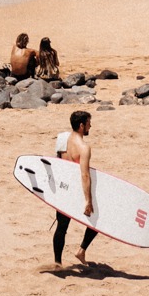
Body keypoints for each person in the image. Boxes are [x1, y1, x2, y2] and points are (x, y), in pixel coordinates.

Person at [53, 109, 99, 267]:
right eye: (88, 123)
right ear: (81, 125)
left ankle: (57, 262)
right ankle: (81, 250)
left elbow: (58, 162)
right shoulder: (84, 148)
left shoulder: (61, 139)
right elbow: (85, 175)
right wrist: (88, 200)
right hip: (76, 190)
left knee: (62, 226)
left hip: (63, 188)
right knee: (98, 220)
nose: (90, 126)